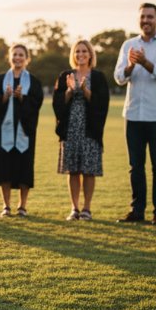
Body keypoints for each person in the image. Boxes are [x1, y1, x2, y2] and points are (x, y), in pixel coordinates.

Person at [113, 3, 156, 226]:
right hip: (133, 115)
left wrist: (146, 63)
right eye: (142, 17)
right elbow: (119, 77)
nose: (146, 21)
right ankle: (137, 211)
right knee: (135, 167)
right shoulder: (128, 45)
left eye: (150, 17)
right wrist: (132, 65)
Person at [53, 40, 110, 221]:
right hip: (70, 129)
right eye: (77, 51)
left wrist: (85, 90)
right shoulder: (65, 75)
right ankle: (74, 208)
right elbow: (57, 102)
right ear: (73, 54)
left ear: (91, 54)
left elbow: (102, 103)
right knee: (73, 170)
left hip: (90, 129)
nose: (81, 54)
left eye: (84, 51)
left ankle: (87, 208)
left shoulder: (98, 77)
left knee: (88, 170)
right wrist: (69, 91)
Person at [0, 44, 44, 217]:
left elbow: (36, 104)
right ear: (9, 57)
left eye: (21, 55)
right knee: (4, 168)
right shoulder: (0, 79)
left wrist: (22, 98)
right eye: (15, 54)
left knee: (24, 168)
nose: (17, 58)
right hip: (4, 130)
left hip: (24, 131)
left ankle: (22, 206)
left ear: (27, 58)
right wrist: (4, 97)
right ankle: (6, 205)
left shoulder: (33, 81)